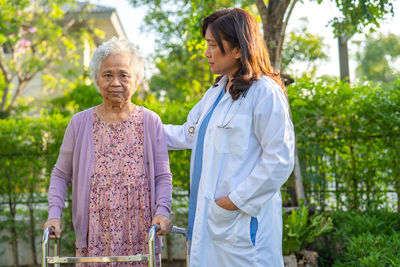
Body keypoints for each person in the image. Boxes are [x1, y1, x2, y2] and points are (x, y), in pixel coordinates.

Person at [164, 8, 295, 266]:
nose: (206, 53)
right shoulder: (215, 92)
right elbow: (188, 133)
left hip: (240, 227)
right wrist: (138, 124)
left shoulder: (264, 92)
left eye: (213, 45)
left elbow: (279, 160)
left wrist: (232, 202)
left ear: (237, 49)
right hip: (215, 223)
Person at [43, 37, 173, 266]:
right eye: (107, 74)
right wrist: (54, 215)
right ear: (96, 79)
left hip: (141, 236)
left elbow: (162, 176)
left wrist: (162, 211)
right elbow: (61, 174)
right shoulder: (79, 123)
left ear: (137, 80)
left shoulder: (151, 122)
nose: (115, 82)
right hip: (94, 237)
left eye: (124, 75)